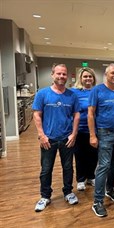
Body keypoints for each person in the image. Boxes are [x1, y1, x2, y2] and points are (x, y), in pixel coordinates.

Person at [33, 63, 80, 212]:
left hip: (67, 138)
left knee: (68, 168)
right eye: (59, 73)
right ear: (52, 75)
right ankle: (45, 196)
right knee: (46, 169)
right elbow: (36, 114)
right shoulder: (43, 93)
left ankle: (68, 192)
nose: (61, 76)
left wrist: (74, 134)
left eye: (64, 74)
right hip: (49, 139)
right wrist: (41, 135)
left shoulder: (72, 95)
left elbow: (77, 114)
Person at [88, 63, 114, 217]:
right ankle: (97, 201)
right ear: (106, 74)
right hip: (104, 133)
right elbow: (90, 113)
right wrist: (92, 135)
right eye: (113, 73)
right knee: (103, 166)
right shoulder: (97, 90)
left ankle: (109, 189)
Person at [70, 67, 98, 191]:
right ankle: (80, 179)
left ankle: (91, 176)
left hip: (94, 129)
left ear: (93, 78)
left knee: (93, 155)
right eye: (85, 76)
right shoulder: (74, 92)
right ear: (80, 78)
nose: (88, 79)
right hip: (79, 129)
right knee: (80, 155)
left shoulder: (96, 91)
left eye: (90, 76)